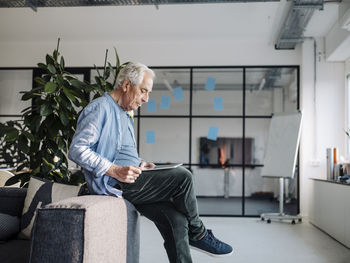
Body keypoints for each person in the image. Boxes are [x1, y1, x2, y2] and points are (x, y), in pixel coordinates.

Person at [68, 62, 233, 263]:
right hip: (115, 184)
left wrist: (140, 163)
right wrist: (113, 170)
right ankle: (199, 234)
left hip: (132, 179)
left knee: (177, 220)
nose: (146, 99)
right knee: (183, 177)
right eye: (143, 91)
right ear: (127, 85)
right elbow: (77, 149)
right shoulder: (100, 108)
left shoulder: (124, 114)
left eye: (149, 93)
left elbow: (121, 153)